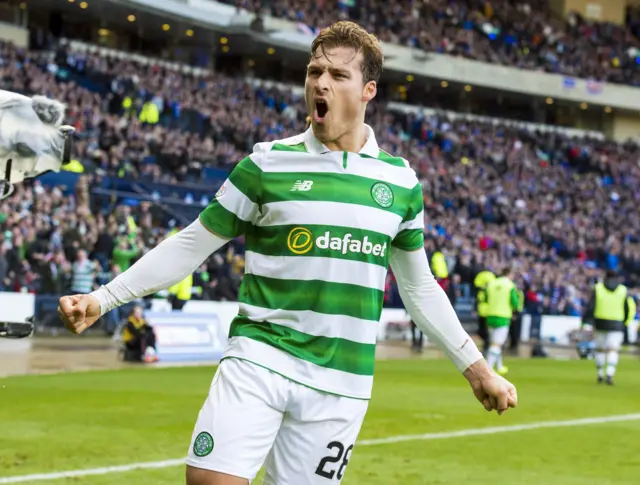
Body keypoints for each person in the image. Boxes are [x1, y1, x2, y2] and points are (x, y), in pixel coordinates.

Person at [57, 21, 517, 485]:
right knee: (209, 480)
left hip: (342, 383)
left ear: (368, 90)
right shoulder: (265, 165)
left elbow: (419, 288)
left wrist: (476, 370)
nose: (321, 82)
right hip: (260, 357)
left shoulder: (400, 184)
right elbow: (192, 243)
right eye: (315, 71)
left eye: (338, 76)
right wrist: (104, 298)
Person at [582, 270, 630, 385]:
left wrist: (586, 322)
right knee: (613, 350)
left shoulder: (598, 288)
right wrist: (624, 322)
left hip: (600, 322)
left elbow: (591, 306)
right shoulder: (622, 290)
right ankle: (610, 374)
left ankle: (600, 374)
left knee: (600, 349)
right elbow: (626, 308)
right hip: (617, 323)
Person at [483, 267, 520, 375]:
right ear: (509, 274)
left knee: (494, 342)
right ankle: (488, 368)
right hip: (503, 316)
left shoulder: (492, 283)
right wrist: (515, 309)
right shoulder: (510, 285)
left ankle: (499, 366)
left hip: (490, 315)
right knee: (497, 344)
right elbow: (515, 302)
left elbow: (485, 298)